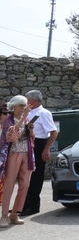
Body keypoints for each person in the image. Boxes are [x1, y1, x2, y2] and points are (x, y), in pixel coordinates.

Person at [19, 90, 58, 217]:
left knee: (36, 177)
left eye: (28, 100)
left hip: (39, 144)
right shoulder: (27, 112)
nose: (26, 102)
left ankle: (33, 205)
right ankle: (23, 205)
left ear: (35, 101)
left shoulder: (43, 113)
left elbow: (53, 132)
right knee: (24, 176)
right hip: (27, 144)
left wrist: (46, 149)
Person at [1, 96, 35, 227]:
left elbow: (31, 138)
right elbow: (11, 136)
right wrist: (23, 120)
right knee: (9, 184)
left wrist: (30, 130)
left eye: (24, 105)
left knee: (24, 184)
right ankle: (4, 215)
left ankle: (15, 213)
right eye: (21, 105)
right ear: (14, 106)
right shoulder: (8, 121)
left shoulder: (26, 119)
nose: (23, 108)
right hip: (13, 154)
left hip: (26, 154)